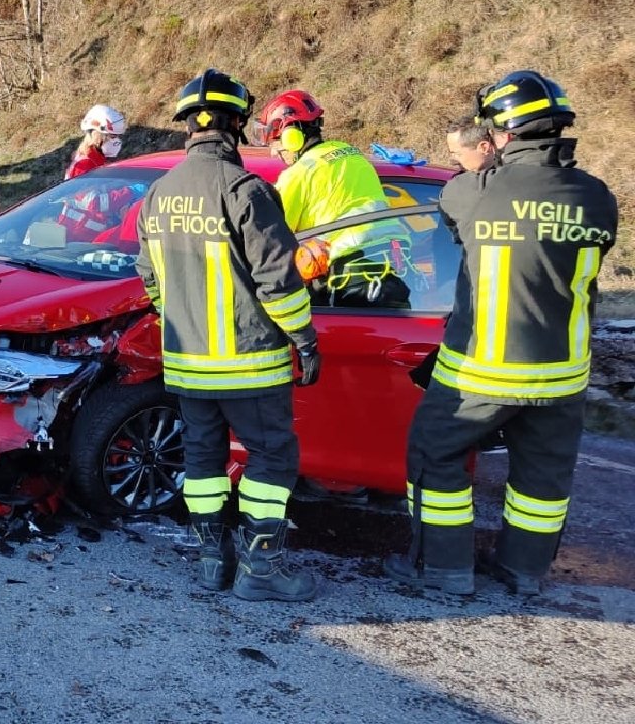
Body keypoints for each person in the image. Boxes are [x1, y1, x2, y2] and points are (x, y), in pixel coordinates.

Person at [384, 70, 618, 596]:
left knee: (434, 454)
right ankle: (523, 572)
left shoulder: (472, 192)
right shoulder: (597, 198)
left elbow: (446, 230)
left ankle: (443, 569)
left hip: (481, 374)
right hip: (562, 375)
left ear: (503, 133)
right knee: (542, 481)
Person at [136, 68, 322, 602]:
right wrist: (304, 339)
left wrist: (182, 321)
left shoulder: (158, 195)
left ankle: (211, 561)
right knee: (270, 458)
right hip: (250, 366)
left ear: (187, 127)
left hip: (189, 366)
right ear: (238, 125)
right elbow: (279, 282)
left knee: (202, 461)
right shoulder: (247, 191)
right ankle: (261, 569)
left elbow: (150, 279)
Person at [253, 89, 409, 308]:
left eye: (275, 141)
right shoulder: (353, 155)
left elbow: (273, 240)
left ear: (291, 136)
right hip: (392, 270)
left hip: (348, 282)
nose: (273, 153)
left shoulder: (299, 174)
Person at [65, 104, 126, 179]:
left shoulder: (96, 159)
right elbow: (92, 190)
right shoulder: (85, 164)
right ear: (97, 135)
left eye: (117, 136)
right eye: (112, 136)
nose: (116, 140)